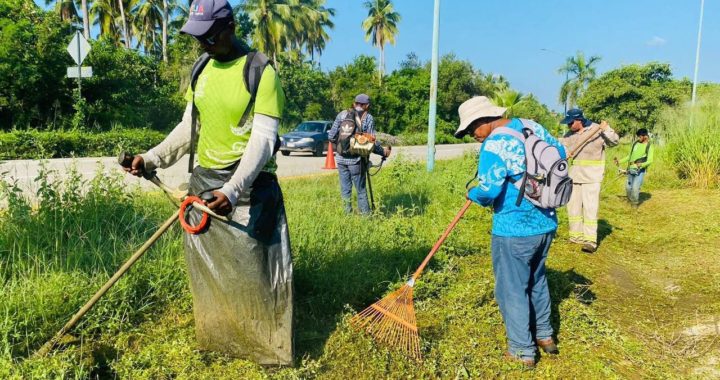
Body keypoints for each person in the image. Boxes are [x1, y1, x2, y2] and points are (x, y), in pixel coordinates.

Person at [122, 0, 293, 365]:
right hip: (204, 182)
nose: (203, 44)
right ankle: (220, 337)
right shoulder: (201, 68)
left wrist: (233, 189)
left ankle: (267, 349)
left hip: (248, 186)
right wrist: (151, 158)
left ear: (230, 27)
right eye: (198, 37)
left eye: (210, 36)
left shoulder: (260, 72)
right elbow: (189, 127)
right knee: (210, 267)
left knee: (252, 270)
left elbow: (263, 141)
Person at [457, 96, 564, 368]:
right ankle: (544, 336)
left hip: (514, 228)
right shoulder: (532, 127)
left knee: (512, 289)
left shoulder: (495, 143)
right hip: (546, 222)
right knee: (537, 279)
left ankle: (521, 350)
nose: (473, 136)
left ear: (484, 120)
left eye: (472, 129)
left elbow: (489, 190)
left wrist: (472, 193)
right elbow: (560, 154)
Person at [559, 109, 619, 253]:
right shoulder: (569, 135)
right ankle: (575, 237)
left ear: (579, 120)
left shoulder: (597, 129)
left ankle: (590, 240)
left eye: (571, 123)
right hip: (574, 176)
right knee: (573, 207)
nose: (569, 126)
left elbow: (615, 141)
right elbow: (562, 146)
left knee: (590, 209)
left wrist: (607, 129)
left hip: (592, 177)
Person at [327, 94, 390, 215]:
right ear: (367, 105)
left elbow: (331, 136)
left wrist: (344, 146)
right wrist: (383, 152)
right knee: (361, 190)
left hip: (340, 159)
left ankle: (347, 215)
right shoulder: (368, 118)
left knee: (345, 189)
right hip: (357, 160)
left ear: (354, 103)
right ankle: (366, 217)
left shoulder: (342, 114)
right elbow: (371, 142)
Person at [615, 128, 654, 209]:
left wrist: (642, 164)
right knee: (628, 187)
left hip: (640, 171)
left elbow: (650, 160)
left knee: (635, 188)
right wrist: (620, 161)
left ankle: (634, 205)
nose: (638, 138)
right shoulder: (635, 144)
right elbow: (629, 156)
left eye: (639, 137)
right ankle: (630, 200)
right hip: (630, 169)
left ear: (645, 137)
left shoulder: (649, 146)